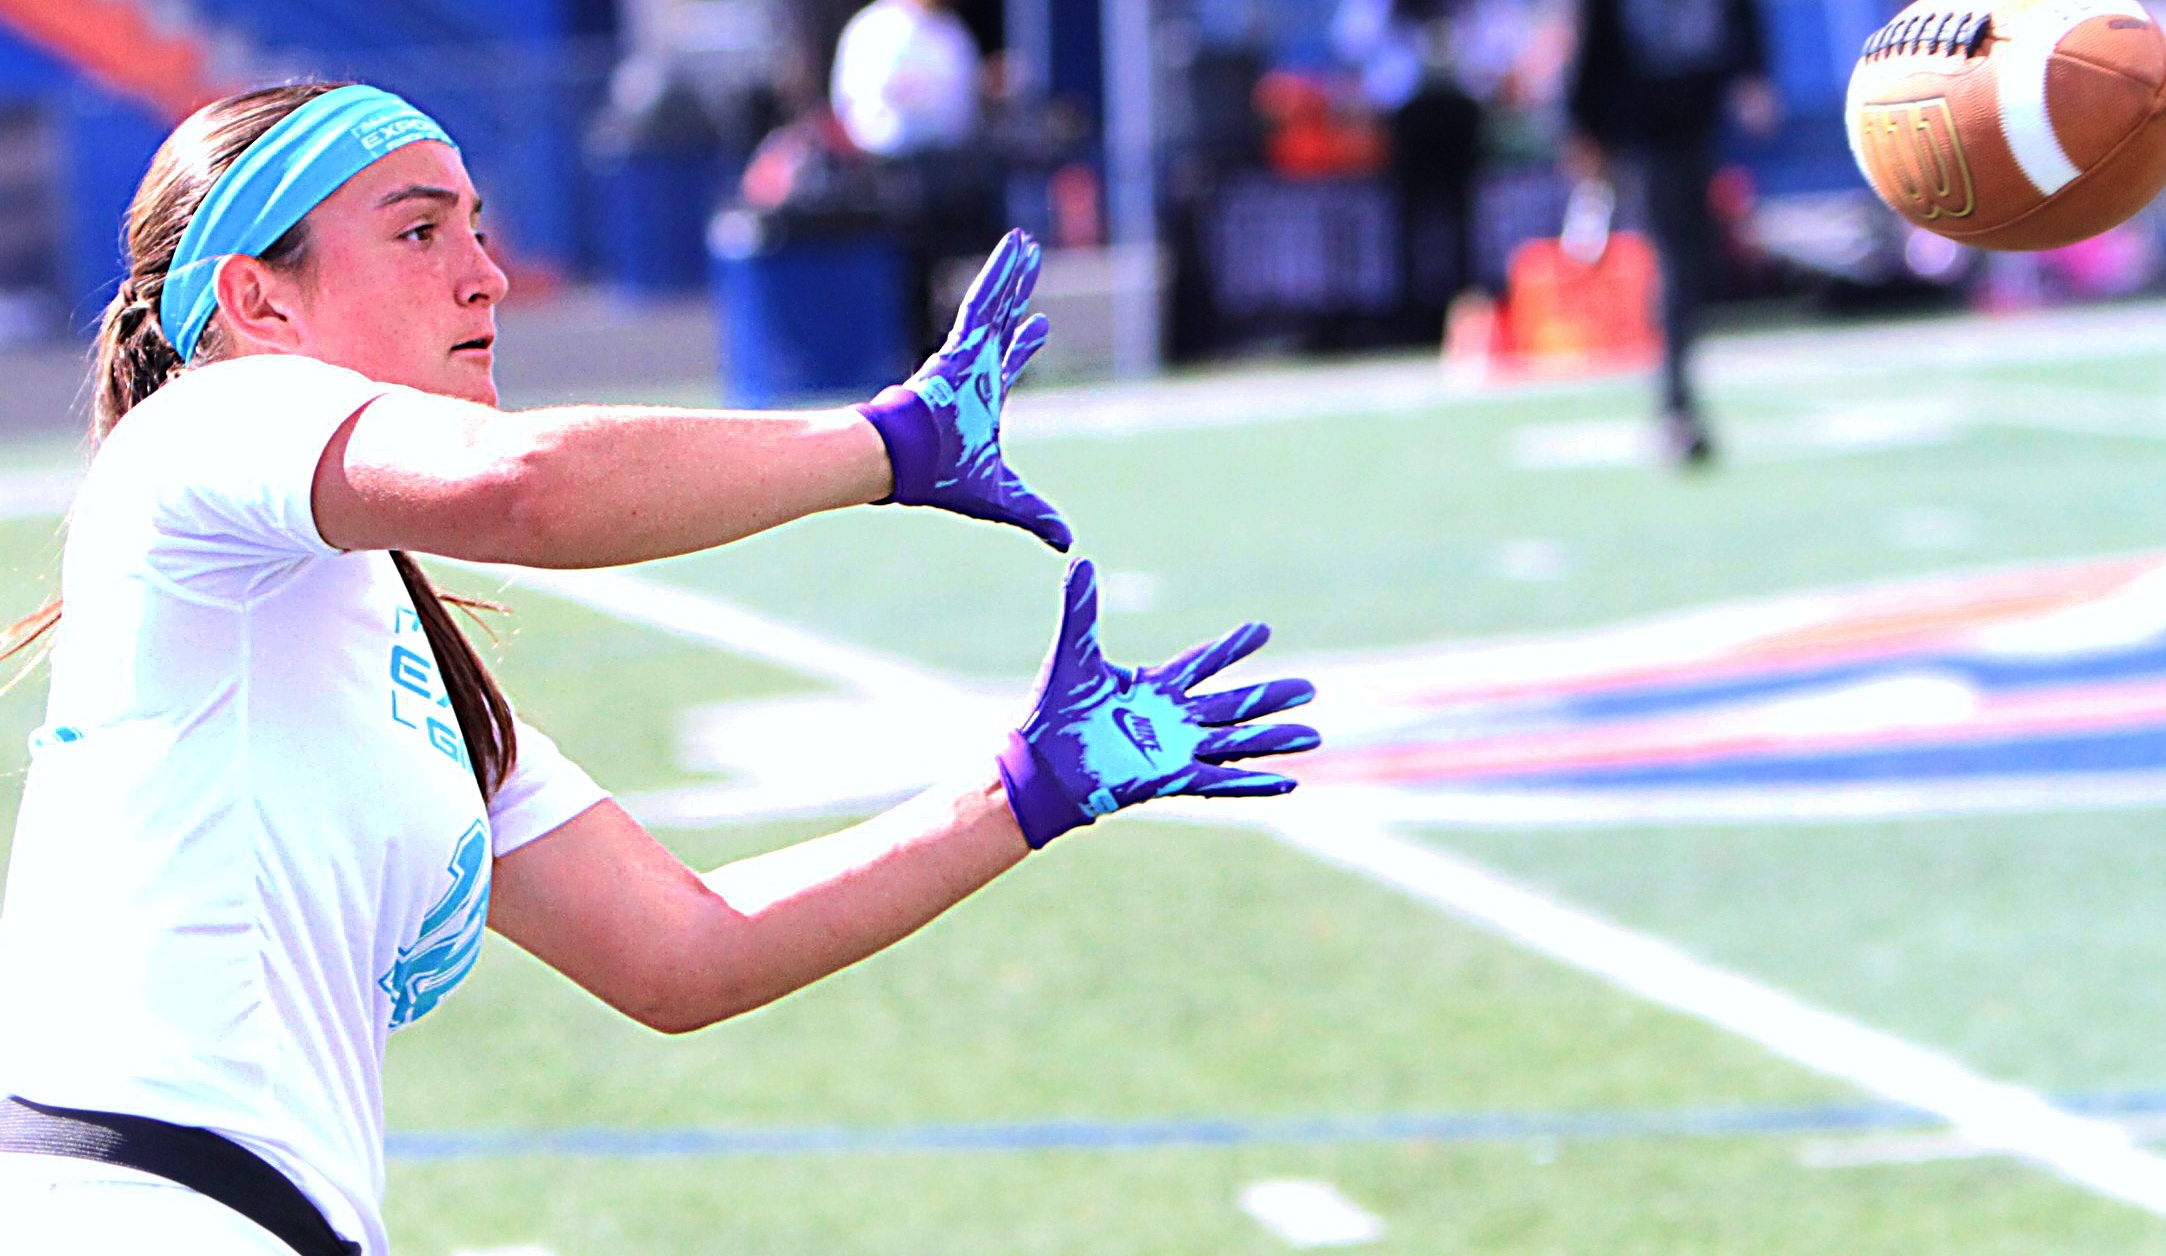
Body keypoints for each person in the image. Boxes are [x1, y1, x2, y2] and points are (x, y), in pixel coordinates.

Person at [0, 82, 1318, 1256]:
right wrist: (895, 443)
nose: (485, 274)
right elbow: (527, 487)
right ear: (257, 300)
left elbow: (683, 952)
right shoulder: (200, 427)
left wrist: (1030, 785)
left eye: (476, 225)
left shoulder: (396, 654)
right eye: (419, 232)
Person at [1566, 0, 1778, 466]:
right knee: (1675, 259)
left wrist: (1752, 74)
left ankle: (1679, 394)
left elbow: (1739, 1)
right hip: (1644, 121)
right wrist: (1585, 126)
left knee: (1696, 257)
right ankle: (1676, 401)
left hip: (1698, 111)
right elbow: (1591, 35)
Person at [1333, 0, 1531, 342]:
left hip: (1451, 110)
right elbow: (1353, 41)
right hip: (1418, 112)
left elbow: (1505, 44)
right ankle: (1425, 309)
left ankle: (1451, 312)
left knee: (1442, 215)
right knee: (1427, 215)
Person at [830, 0, 983, 160]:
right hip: (883, 155)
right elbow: (852, 93)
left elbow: (965, 89)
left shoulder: (951, 29)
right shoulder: (873, 25)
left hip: (947, 154)